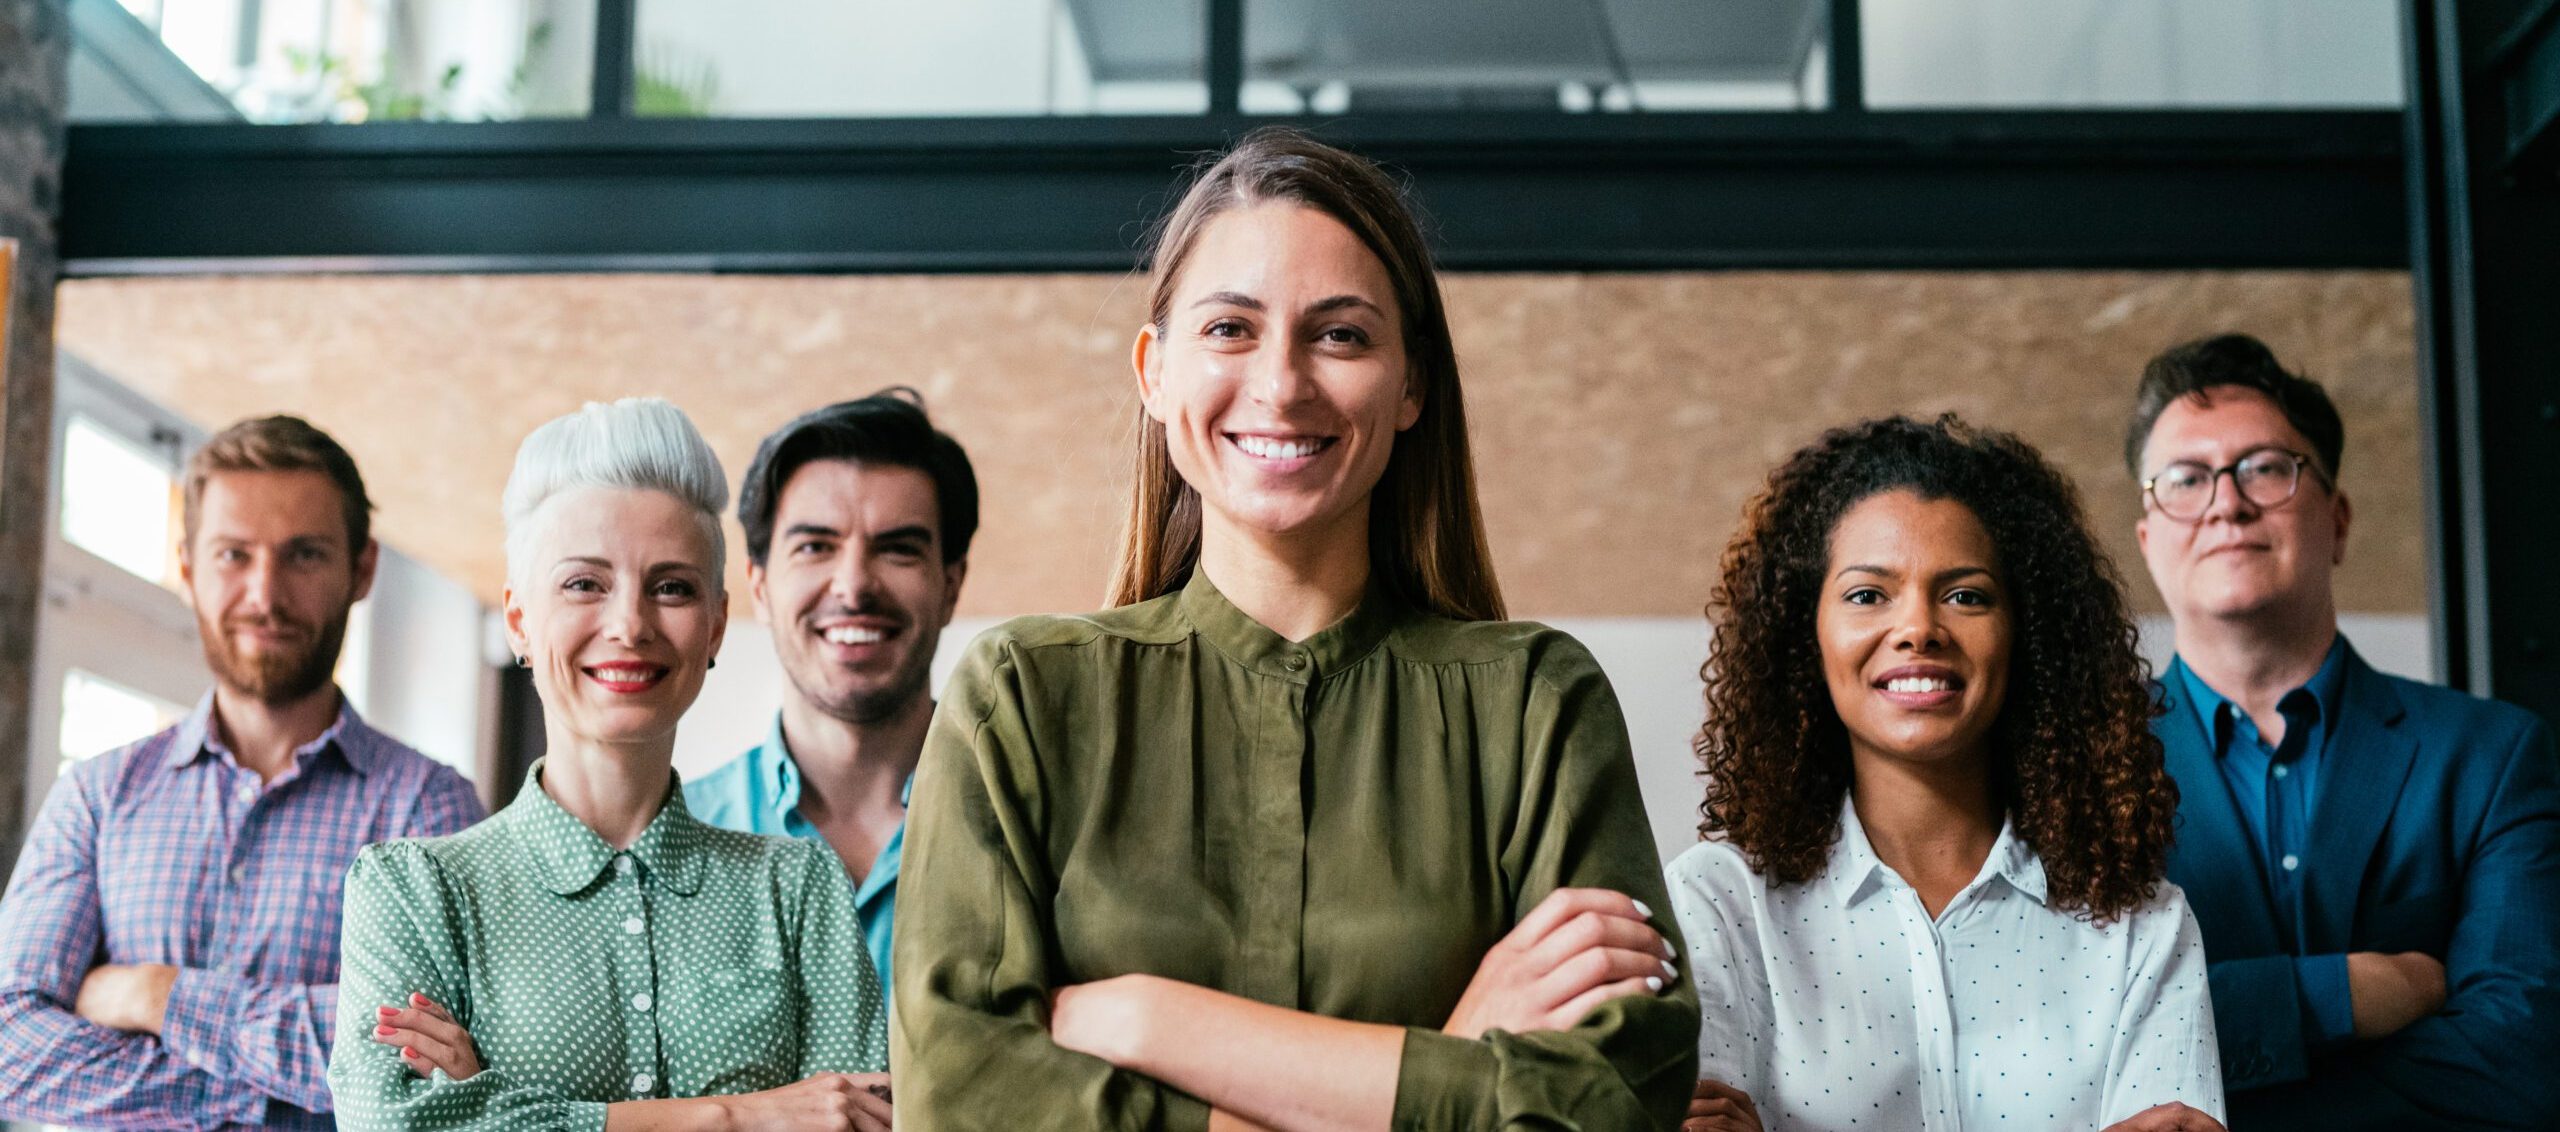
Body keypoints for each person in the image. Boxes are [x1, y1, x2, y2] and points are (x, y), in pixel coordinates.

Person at [890, 127, 1698, 1130]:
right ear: (1155, 372)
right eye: (1229, 328)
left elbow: (1613, 1101)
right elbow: (959, 1098)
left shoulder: (1535, 699)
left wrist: (1146, 1020)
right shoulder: (1018, 692)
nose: (1281, 384)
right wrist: (1449, 1059)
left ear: (1411, 385)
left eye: (1341, 334)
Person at [327, 398, 891, 1131]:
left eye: (672, 587)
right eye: (584, 584)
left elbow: (858, 1125)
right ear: (521, 620)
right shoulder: (414, 890)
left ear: (715, 625)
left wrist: (495, 1105)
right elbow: (390, 1122)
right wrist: (736, 1116)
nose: (630, 624)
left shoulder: (797, 888)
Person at [1668, 415, 2227, 1132]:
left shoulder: (2142, 925)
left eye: (1966, 595)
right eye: (1868, 595)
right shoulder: (1719, 906)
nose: (1918, 628)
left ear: (2029, 635)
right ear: (1804, 635)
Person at [0, 415, 485, 1129]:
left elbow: (425, 1062)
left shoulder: (429, 808)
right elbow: (11, 1047)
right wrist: (267, 1094)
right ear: (190, 569)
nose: (265, 594)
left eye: (305, 555)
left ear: (362, 569)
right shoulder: (96, 799)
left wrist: (159, 998)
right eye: (234, 554)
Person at [2125, 334, 2560, 1130]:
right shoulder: (2078, 769)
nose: (2227, 502)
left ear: (2339, 517)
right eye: (2186, 479)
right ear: (2150, 539)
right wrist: (2346, 995)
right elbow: (2064, 1035)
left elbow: (2521, 1065)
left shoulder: (2493, 758)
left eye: (2265, 467)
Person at [686, 388, 978, 1001]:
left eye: (898, 548)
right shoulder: (673, 835)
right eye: (816, 546)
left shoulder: (1039, 832)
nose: (853, 586)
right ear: (759, 587)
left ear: (950, 585)